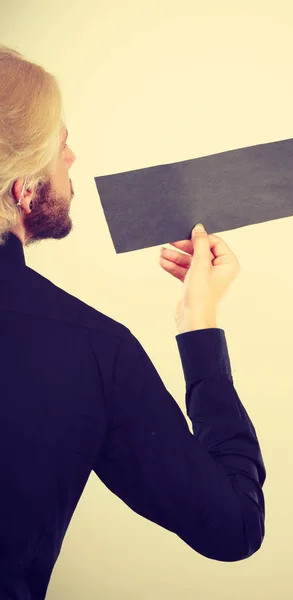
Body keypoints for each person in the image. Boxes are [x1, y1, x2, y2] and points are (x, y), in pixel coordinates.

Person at [0, 44, 266, 599]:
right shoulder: (90, 351)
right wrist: (200, 322)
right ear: (22, 187)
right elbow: (234, 524)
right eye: (61, 144)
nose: (71, 159)